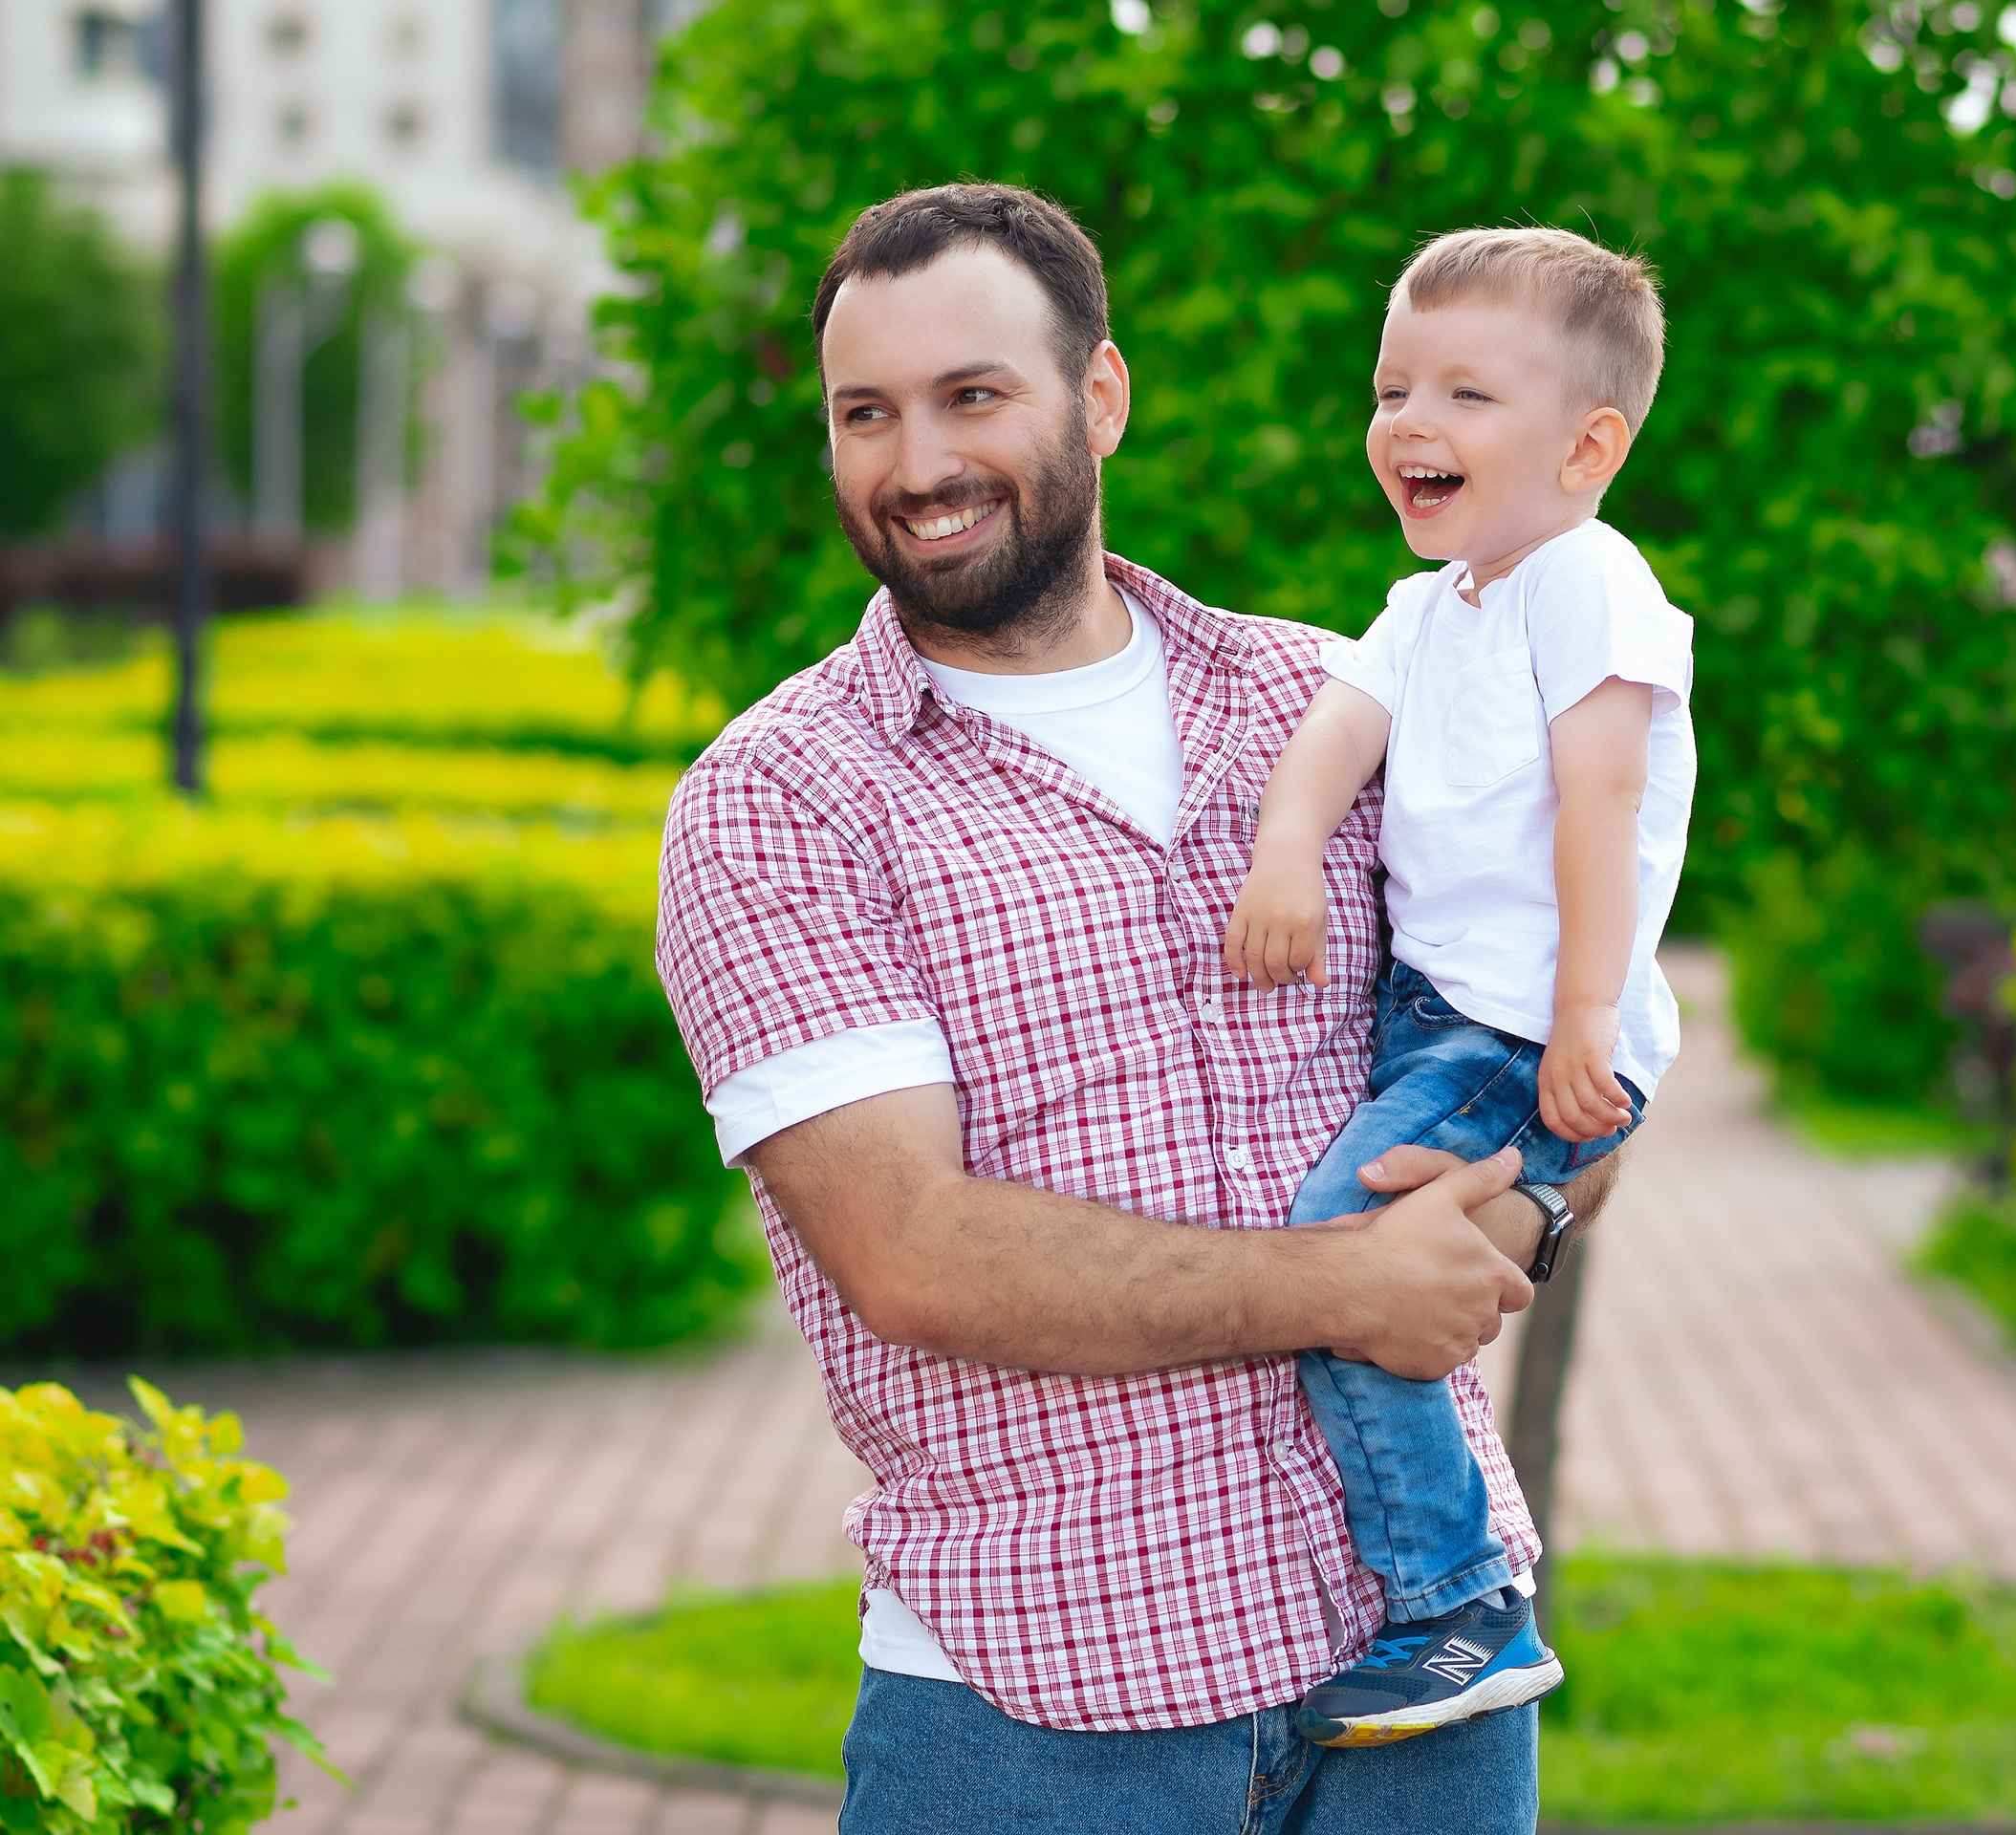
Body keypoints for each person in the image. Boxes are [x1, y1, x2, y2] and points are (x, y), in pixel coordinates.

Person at [654, 183, 1618, 1833]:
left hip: (1425, 1682)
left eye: (974, 396)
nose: (917, 462)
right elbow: (910, 1256)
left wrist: (1514, 1223)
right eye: (863, 414)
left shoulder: (1333, 697)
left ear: (1099, 396)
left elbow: (1543, 1044)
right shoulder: (779, 802)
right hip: (1042, 1716)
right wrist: (1351, 1285)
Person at [1224, 227, 1696, 1748]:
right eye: (1392, 387)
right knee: (1352, 1249)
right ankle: (1423, 1589)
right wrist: (1287, 856)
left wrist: (1581, 1027)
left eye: (1464, 396)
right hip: (1447, 1010)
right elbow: (1336, 734)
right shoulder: (1433, 605)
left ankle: (1458, 1605)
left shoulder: (1587, 583)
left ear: (1588, 445)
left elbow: (1602, 810)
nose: (1410, 424)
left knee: (1334, 1253)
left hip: (1525, 1025)